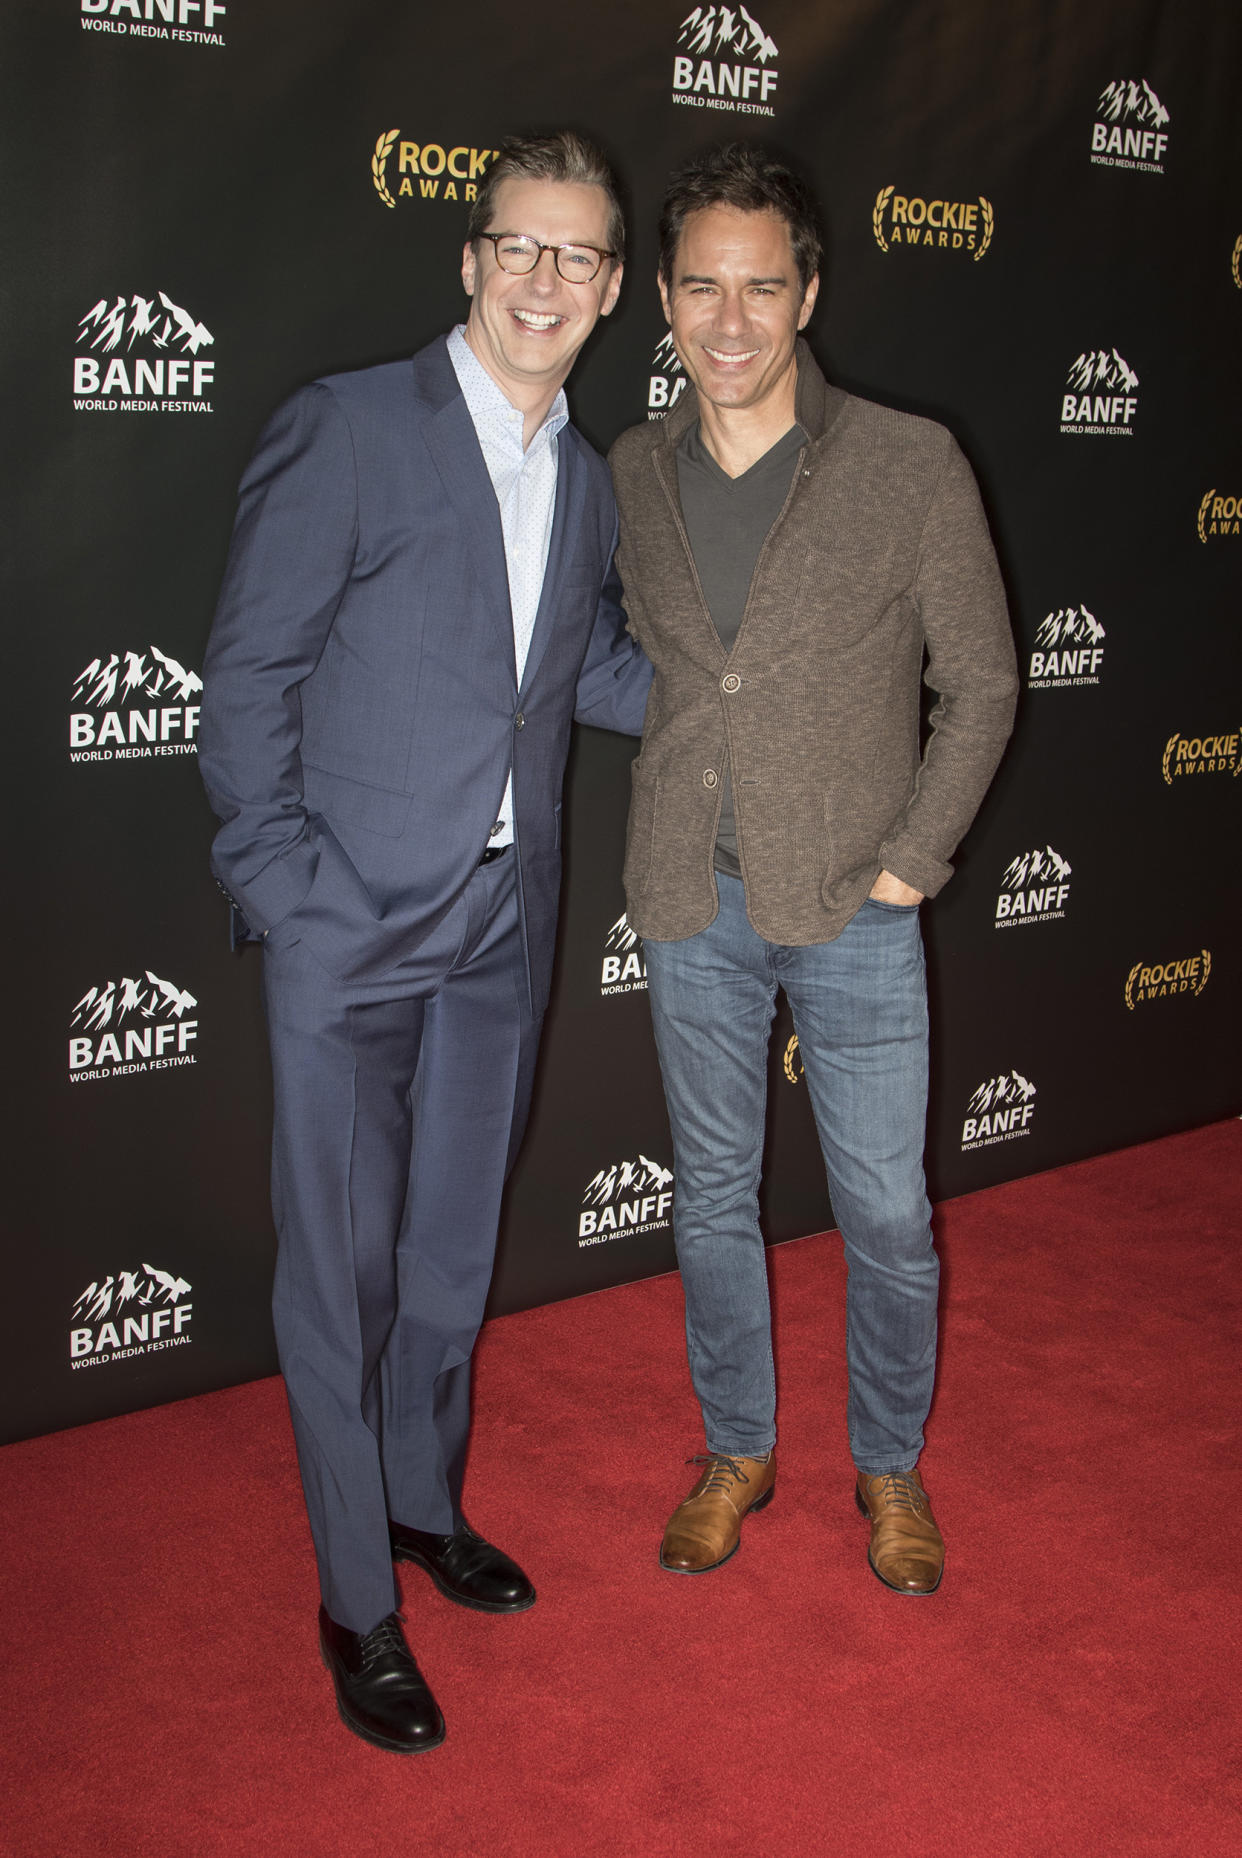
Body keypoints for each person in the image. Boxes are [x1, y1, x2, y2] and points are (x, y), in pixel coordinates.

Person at [198, 131, 650, 1751]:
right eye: (515, 248)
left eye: (575, 258)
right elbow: (245, 678)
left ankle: (412, 1500)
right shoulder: (346, 428)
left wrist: (759, 704)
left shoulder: (586, 476)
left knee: (451, 1260)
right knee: (345, 1269)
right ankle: (353, 1600)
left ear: (611, 292)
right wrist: (287, 893)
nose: (542, 281)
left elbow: (586, 675)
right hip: (349, 928)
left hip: (500, 932)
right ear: (468, 262)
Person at [608, 144, 1017, 1595]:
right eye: (701, 287)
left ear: (809, 289)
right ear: (661, 295)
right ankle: (736, 1447)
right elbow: (661, 665)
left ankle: (888, 1464)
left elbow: (980, 681)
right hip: (685, 897)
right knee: (711, 1195)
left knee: (887, 1210)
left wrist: (911, 858)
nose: (730, 320)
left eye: (760, 285)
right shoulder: (631, 469)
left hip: (853, 904)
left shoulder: (907, 461)